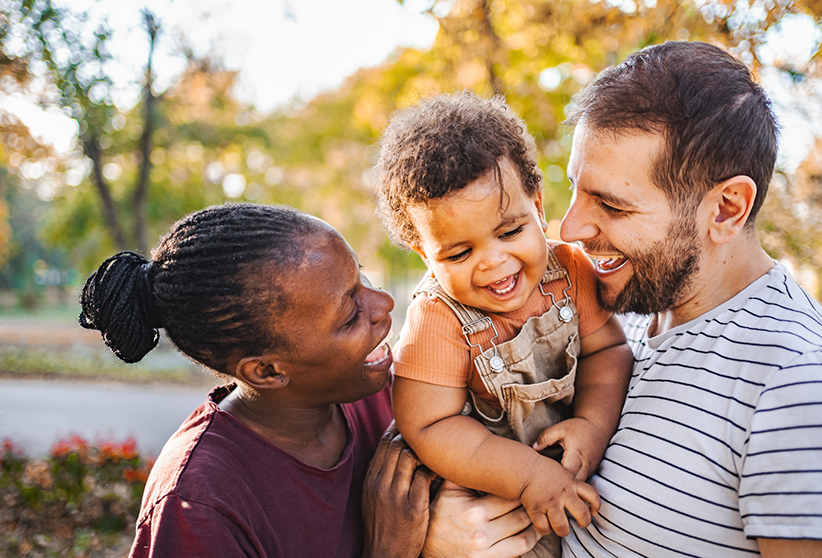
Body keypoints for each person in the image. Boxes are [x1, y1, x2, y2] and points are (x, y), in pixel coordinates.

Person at [78, 203, 539, 558]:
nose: (383, 305)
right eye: (349, 314)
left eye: (362, 278)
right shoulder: (199, 505)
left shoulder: (389, 396)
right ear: (267, 371)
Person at [558, 41, 822, 557]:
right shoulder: (619, 310)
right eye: (575, 189)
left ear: (726, 209)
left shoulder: (795, 382)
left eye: (611, 205)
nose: (571, 229)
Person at [374, 92, 634, 556]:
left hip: (570, 481)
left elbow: (608, 353)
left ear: (537, 204)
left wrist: (593, 426)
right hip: (493, 511)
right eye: (459, 252)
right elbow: (429, 425)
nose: (494, 263)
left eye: (510, 231)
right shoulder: (438, 317)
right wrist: (528, 474)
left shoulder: (570, 271)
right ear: (425, 256)